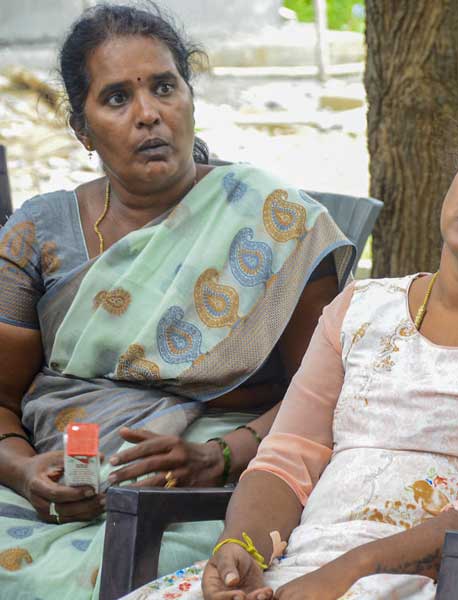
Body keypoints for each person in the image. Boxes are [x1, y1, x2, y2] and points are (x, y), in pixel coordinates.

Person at [125, 95, 458, 600]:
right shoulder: (361, 308)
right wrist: (240, 551)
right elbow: (287, 458)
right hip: (303, 568)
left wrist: (352, 572)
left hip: (456, 580)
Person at [0, 5, 354, 598]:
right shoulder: (39, 233)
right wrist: (23, 469)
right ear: (82, 130)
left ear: (190, 98)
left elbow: (322, 397)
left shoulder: (277, 224)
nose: (148, 114)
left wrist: (215, 456)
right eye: (116, 98)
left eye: (165, 87)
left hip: (211, 497)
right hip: (46, 487)